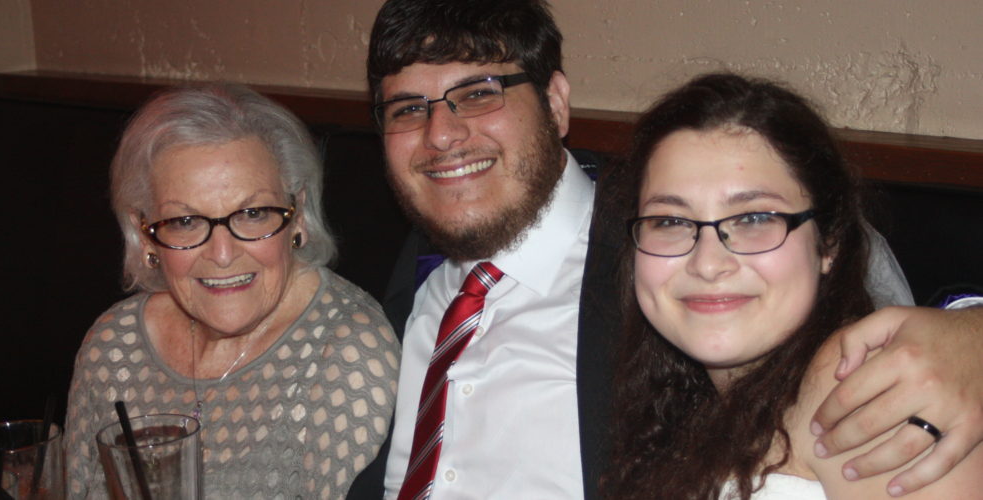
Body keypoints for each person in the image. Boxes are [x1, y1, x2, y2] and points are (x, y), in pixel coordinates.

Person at [352, 1, 983, 498]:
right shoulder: (416, 263)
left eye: (480, 91)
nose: (441, 135)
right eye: (407, 109)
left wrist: (972, 334)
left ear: (555, 102)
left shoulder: (658, 239)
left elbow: (863, 292)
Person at [601, 72, 983, 499]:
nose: (708, 263)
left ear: (828, 242)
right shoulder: (679, 404)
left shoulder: (857, 391)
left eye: (754, 219)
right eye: (670, 221)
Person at [63, 85, 400, 499]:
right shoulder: (114, 346)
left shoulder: (346, 354)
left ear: (298, 215)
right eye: (186, 221)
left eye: (253, 214)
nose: (222, 254)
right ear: (143, 233)